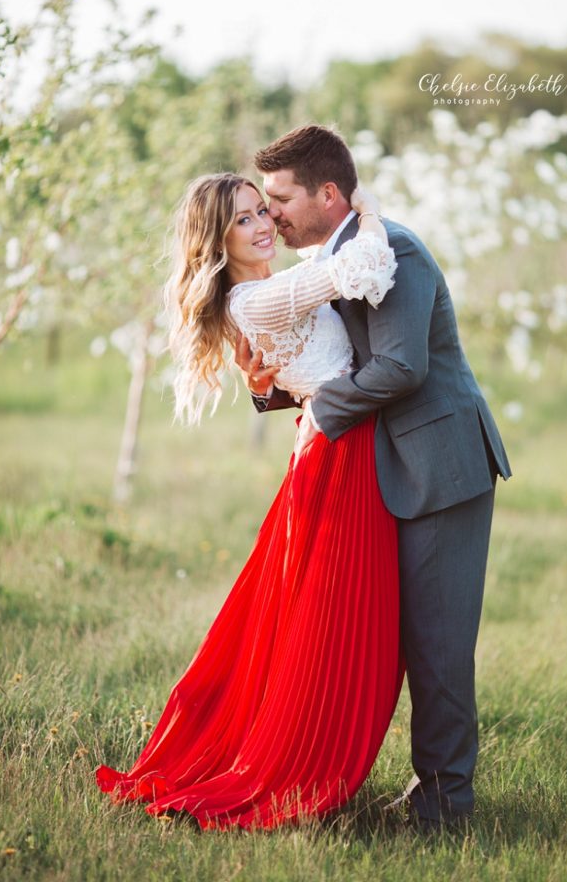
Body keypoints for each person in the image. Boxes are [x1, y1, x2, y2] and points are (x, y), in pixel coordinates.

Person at [95, 172, 406, 830]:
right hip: (338, 453)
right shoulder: (257, 301)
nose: (263, 224)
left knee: (318, 617)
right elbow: (367, 266)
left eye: (263, 210)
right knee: (332, 619)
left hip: (334, 444)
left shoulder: (264, 291)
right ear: (216, 240)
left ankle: (308, 747)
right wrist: (368, 208)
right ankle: (298, 762)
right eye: (242, 220)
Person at [237, 124, 512, 832]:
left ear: (329, 194)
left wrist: (321, 414)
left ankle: (447, 804)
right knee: (384, 637)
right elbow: (329, 358)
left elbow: (400, 367)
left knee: (436, 643)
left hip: (439, 467)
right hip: (379, 469)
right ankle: (392, 782)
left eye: (280, 199)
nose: (270, 216)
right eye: (262, 205)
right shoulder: (334, 260)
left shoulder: (394, 250)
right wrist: (274, 390)